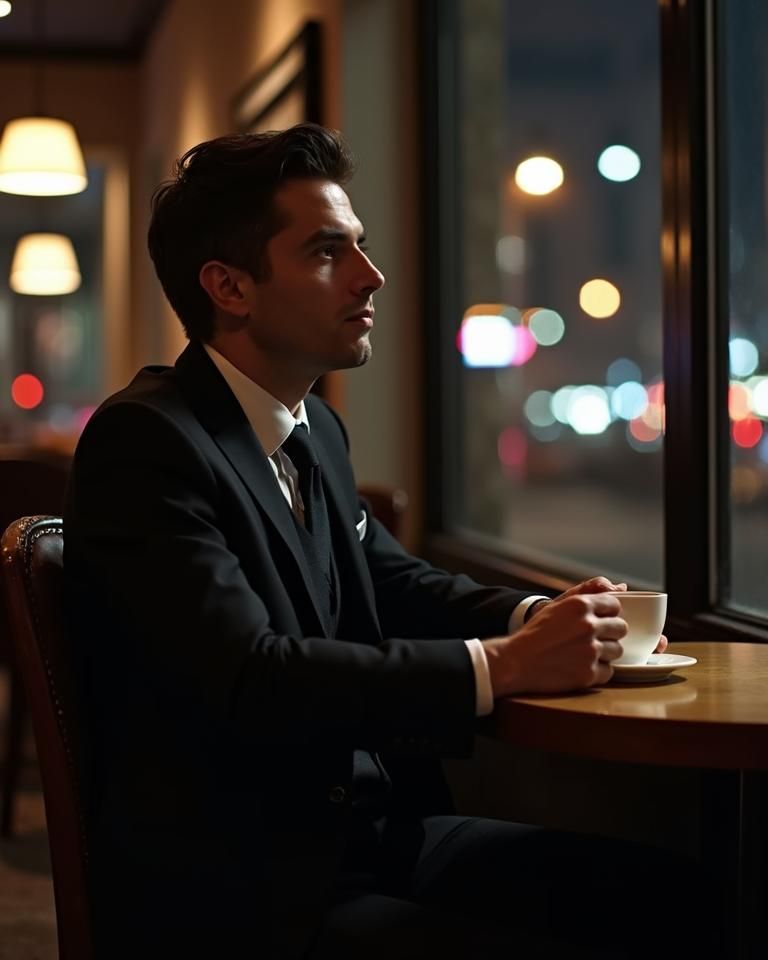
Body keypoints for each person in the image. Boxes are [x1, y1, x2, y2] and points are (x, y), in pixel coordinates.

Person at [64, 124, 709, 960]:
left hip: (368, 840)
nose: (371, 276)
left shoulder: (314, 430)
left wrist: (541, 616)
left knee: (679, 898)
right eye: (329, 252)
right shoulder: (146, 442)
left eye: (360, 246)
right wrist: (506, 668)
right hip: (248, 892)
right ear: (230, 286)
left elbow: (397, 582)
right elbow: (250, 676)